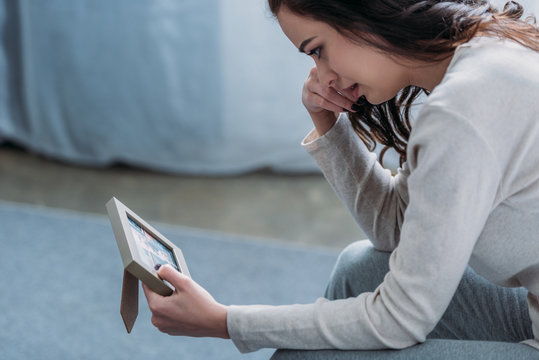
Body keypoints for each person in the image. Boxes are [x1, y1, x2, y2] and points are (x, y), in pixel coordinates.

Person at [142, 0, 539, 356]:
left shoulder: (462, 109)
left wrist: (225, 322)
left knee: (314, 355)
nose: (322, 75)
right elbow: (394, 229)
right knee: (360, 268)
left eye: (317, 50)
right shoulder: (484, 55)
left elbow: (399, 319)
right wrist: (327, 122)